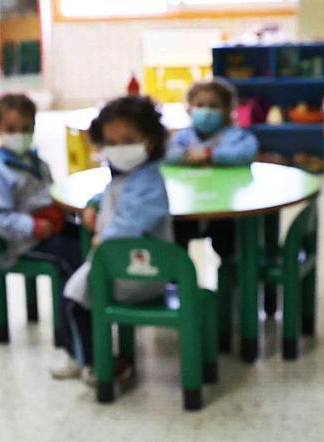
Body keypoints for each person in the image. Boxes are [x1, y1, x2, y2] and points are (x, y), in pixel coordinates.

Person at [63, 95, 173, 383]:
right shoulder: (129, 175)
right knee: (75, 298)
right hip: (121, 264)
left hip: (138, 271)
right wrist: (96, 203)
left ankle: (96, 362)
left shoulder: (148, 181)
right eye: (111, 142)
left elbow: (130, 221)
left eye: (128, 139)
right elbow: (114, 193)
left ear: (149, 140)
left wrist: (105, 238)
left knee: (75, 301)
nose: (118, 149)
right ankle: (86, 356)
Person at [0, 93, 84, 378]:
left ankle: (89, 326)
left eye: (26, 129)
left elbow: (52, 193)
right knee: (70, 264)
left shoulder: (36, 162)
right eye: (11, 129)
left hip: (51, 229)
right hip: (25, 242)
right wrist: (32, 227)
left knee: (88, 246)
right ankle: (70, 344)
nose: (19, 135)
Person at [165, 79, 258, 258]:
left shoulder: (236, 136)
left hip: (224, 206)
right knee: (176, 234)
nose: (206, 111)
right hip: (189, 206)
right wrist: (185, 155)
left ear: (227, 111)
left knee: (227, 243)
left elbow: (247, 152)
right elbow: (165, 154)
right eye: (200, 105)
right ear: (189, 108)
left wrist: (210, 154)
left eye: (214, 106)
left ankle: (231, 277)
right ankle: (178, 278)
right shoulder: (184, 137)